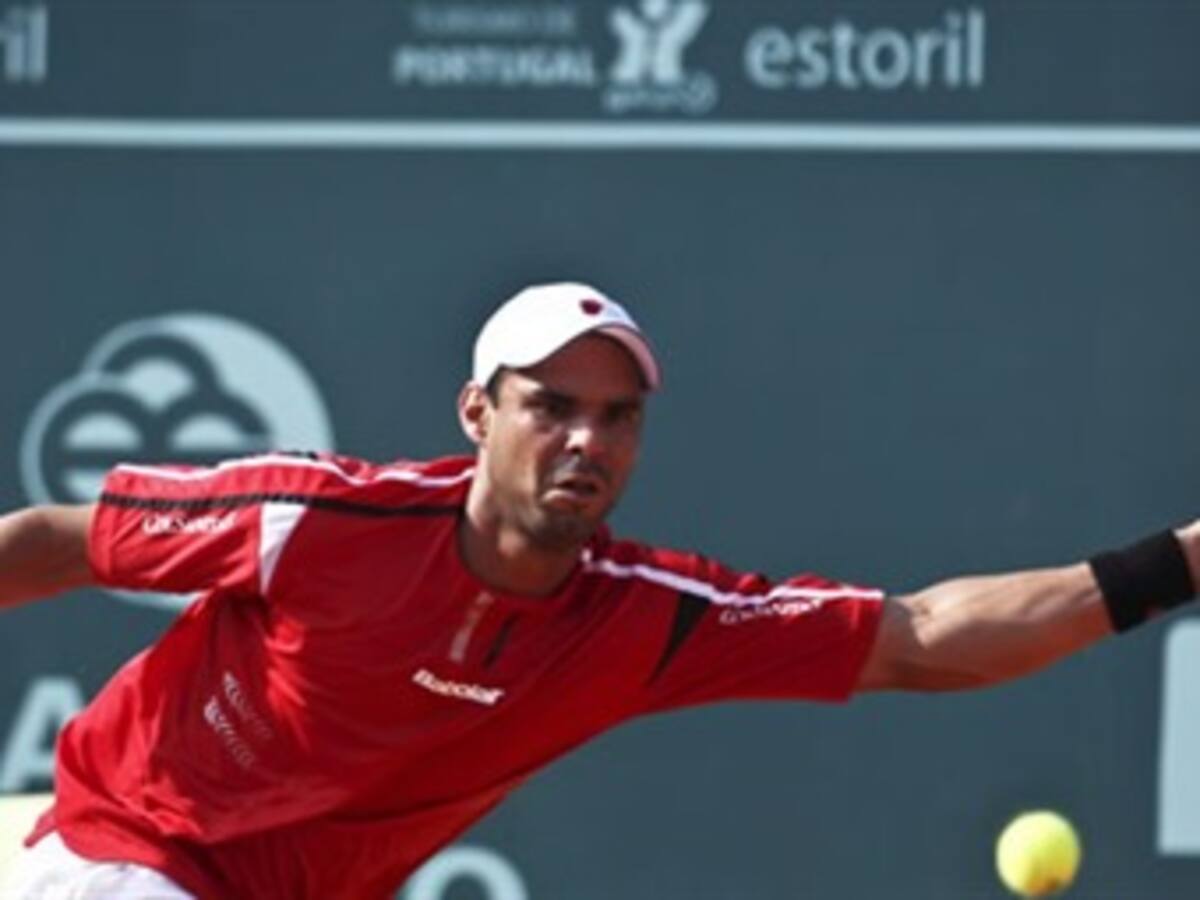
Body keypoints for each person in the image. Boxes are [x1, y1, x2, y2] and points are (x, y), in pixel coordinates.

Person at [1, 281, 1196, 898]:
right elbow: (61, 541)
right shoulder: (320, 521)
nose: (587, 439)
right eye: (552, 406)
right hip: (124, 849)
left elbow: (920, 637)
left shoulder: (645, 619)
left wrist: (1182, 562)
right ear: (478, 414)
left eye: (617, 416)